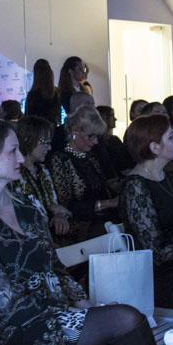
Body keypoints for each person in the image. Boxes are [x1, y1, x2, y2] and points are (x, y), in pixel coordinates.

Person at [0, 119, 156, 345]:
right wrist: (66, 311)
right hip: (12, 326)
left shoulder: (29, 205)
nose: (21, 158)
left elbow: (55, 267)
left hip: (54, 313)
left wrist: (85, 305)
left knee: (121, 325)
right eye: (12, 151)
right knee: (125, 319)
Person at [120, 114, 173, 309]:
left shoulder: (172, 178)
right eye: (171, 137)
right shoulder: (136, 187)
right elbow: (155, 253)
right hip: (166, 278)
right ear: (155, 147)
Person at [47, 105, 118, 244]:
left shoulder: (91, 156)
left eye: (97, 137)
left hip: (100, 220)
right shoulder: (60, 160)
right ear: (75, 131)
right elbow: (68, 205)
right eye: (91, 136)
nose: (95, 142)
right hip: (77, 225)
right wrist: (108, 203)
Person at [11, 115, 71, 237]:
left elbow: (55, 206)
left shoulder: (43, 170)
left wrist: (60, 214)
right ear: (28, 140)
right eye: (45, 142)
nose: (49, 148)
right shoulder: (13, 174)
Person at [25, 58, 61, 126]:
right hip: (53, 129)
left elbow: (28, 117)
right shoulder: (57, 93)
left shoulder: (33, 95)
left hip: (36, 130)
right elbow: (58, 116)